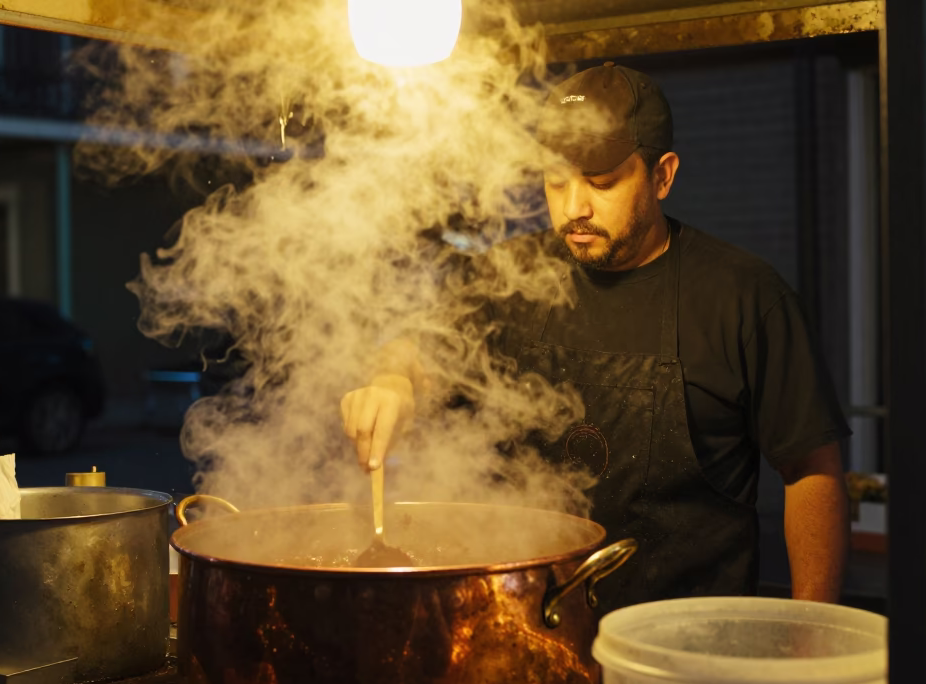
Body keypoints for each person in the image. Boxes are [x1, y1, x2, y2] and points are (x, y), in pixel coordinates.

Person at [340, 62, 851, 608]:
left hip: (681, 648)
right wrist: (392, 380)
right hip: (524, 628)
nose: (574, 207)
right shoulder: (507, 276)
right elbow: (422, 353)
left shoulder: (743, 296)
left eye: (603, 182)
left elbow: (810, 473)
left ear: (662, 176)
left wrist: (810, 630)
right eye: (556, 180)